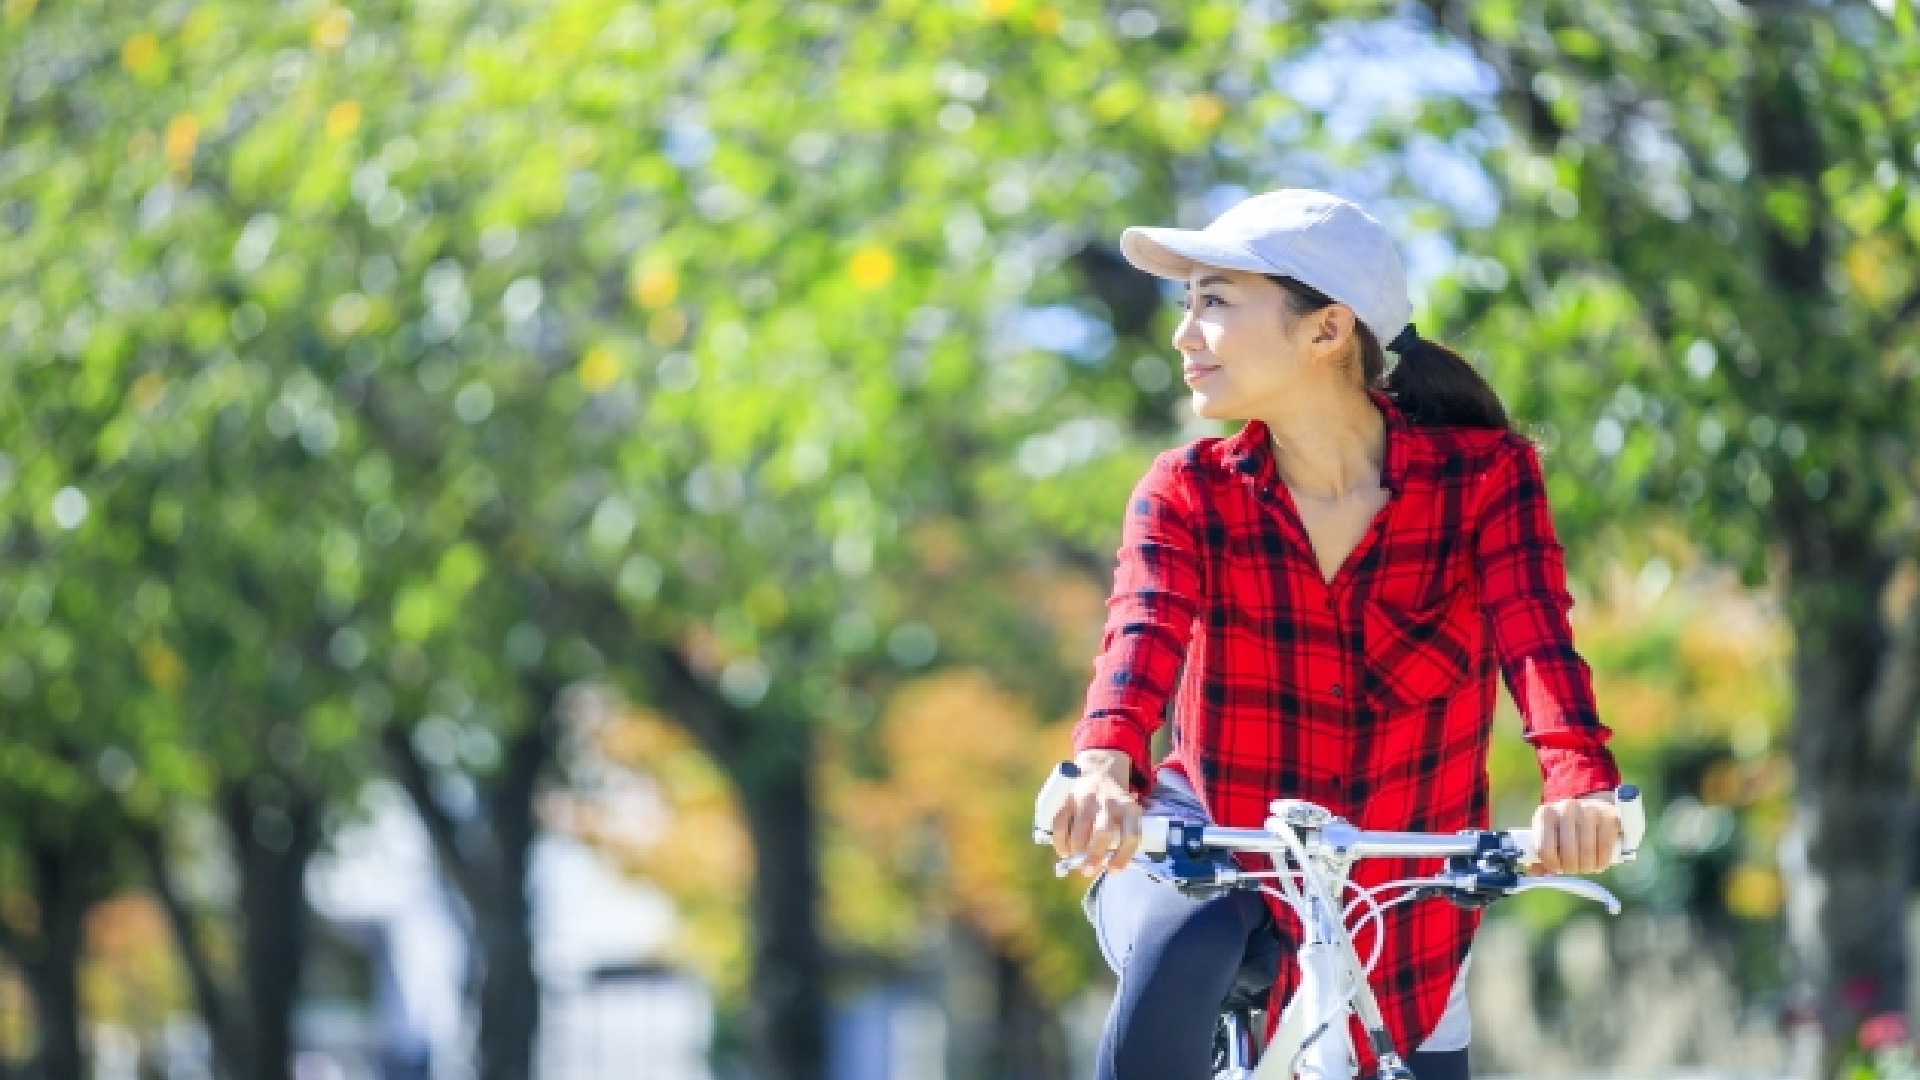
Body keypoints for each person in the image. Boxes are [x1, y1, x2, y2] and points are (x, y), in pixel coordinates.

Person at [1048, 189, 1625, 1080]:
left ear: (1325, 331)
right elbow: (1140, 638)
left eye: (1213, 301)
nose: (1184, 335)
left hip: (1405, 890)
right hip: (1213, 842)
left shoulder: (1485, 483)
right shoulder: (1189, 491)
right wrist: (1102, 768)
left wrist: (1579, 787)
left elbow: (1537, 642)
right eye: (1186, 303)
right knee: (1188, 933)